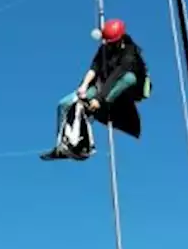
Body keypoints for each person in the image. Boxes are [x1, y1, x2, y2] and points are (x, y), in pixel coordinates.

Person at [41, 19, 149, 162]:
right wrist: (83, 86)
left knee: (129, 78)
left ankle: (98, 108)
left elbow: (115, 76)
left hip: (121, 87)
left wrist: (99, 99)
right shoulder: (104, 49)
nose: (108, 45)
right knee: (64, 104)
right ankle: (62, 147)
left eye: (111, 43)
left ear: (120, 40)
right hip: (102, 84)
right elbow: (94, 68)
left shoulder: (129, 54)